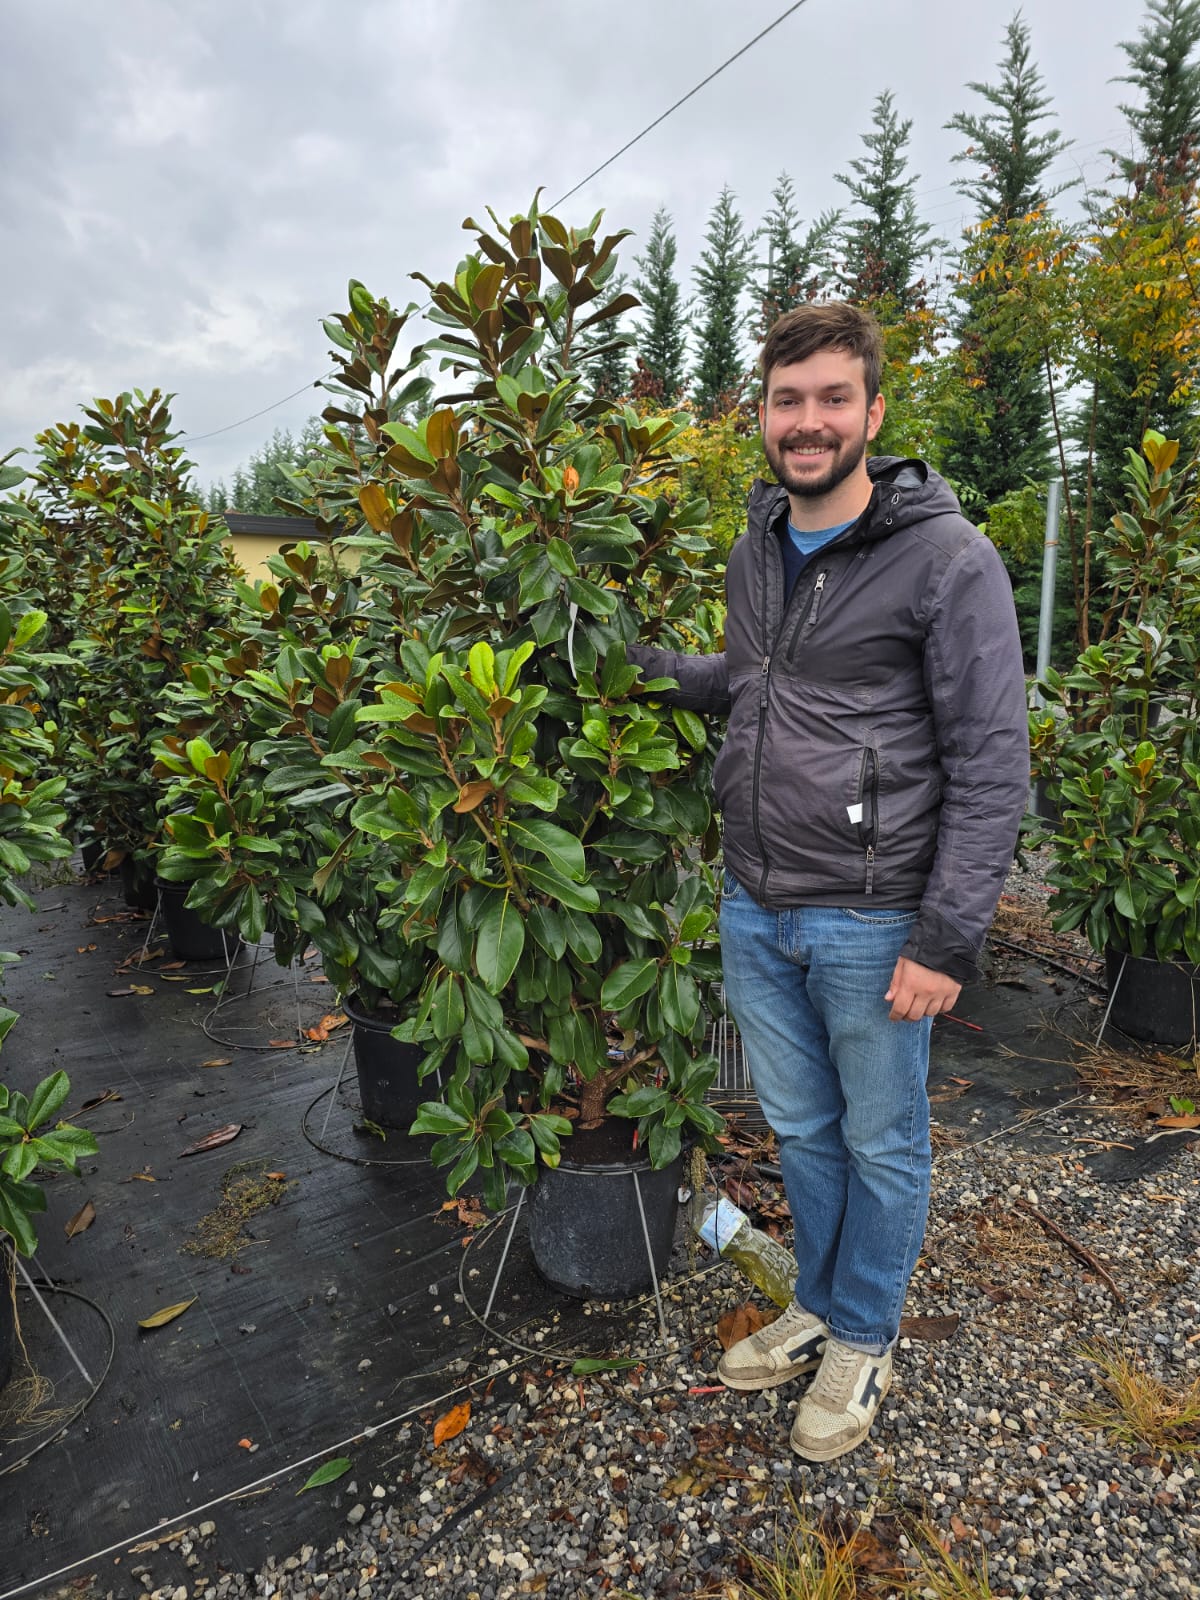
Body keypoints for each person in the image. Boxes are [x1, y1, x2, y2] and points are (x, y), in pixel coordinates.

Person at [626, 302, 1029, 1462]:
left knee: (885, 1136)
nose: (808, 423)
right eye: (787, 400)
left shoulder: (948, 559)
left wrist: (947, 939)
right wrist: (645, 670)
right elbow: (757, 682)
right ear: (762, 413)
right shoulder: (760, 545)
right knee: (802, 1126)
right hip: (755, 901)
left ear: (874, 413)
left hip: (873, 918)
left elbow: (992, 761)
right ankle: (820, 1298)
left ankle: (863, 1334)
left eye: (832, 399)